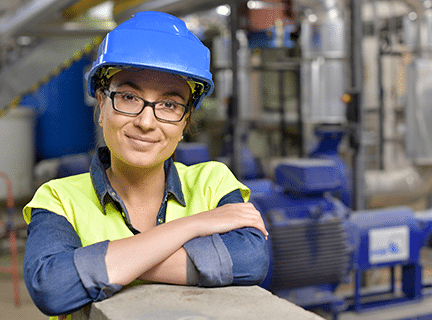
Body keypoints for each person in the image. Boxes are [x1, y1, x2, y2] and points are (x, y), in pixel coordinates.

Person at [22, 11, 269, 320]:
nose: (146, 122)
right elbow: (52, 286)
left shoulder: (212, 182)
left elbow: (251, 259)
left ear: (185, 122)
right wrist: (193, 226)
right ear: (102, 105)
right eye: (128, 97)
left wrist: (104, 264)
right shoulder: (59, 199)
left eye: (169, 104)